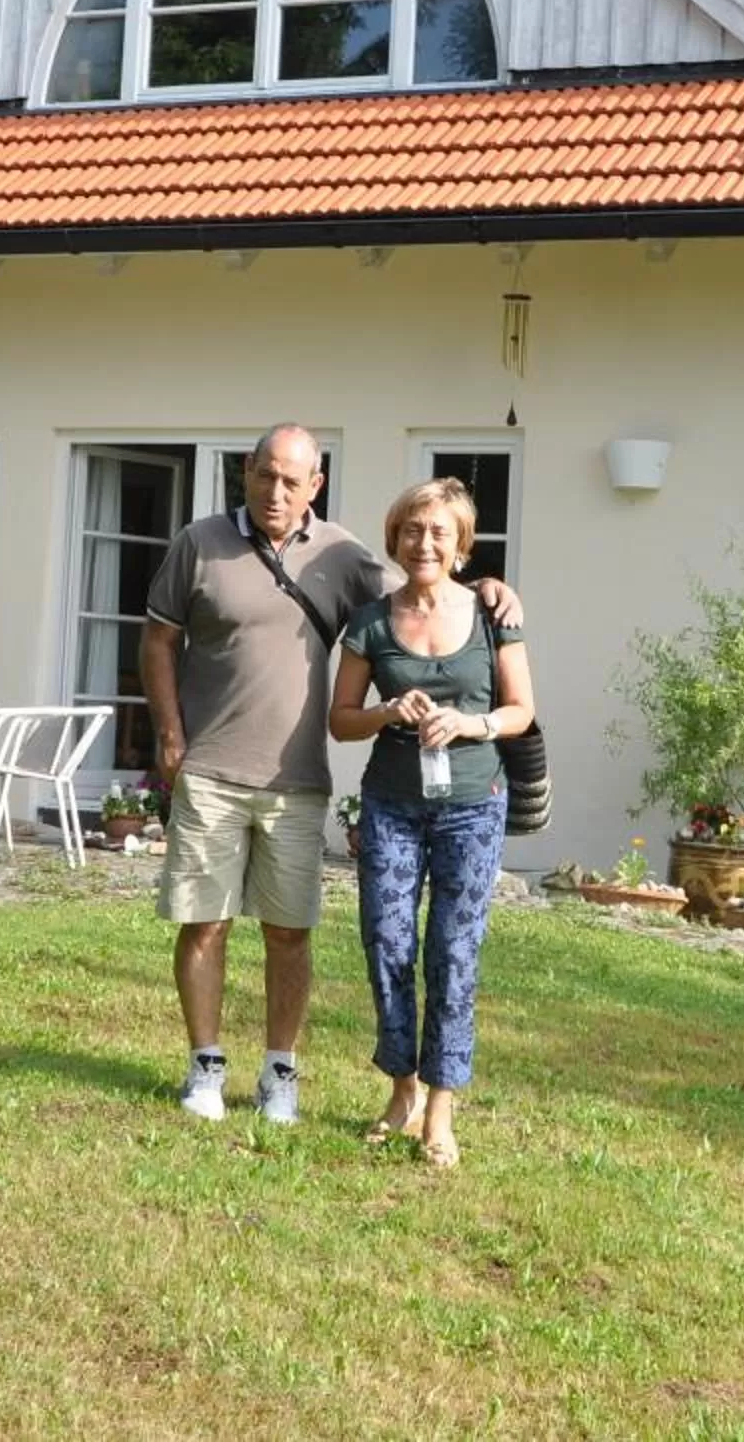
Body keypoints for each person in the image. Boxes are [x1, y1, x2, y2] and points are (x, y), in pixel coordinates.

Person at [139, 427, 517, 1125]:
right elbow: (158, 637)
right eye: (265, 476)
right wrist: (168, 732)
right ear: (246, 472)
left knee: (289, 932)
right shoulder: (199, 543)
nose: (276, 492)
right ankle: (205, 1066)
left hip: (298, 779)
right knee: (204, 924)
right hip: (211, 769)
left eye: (293, 481)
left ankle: (280, 1071)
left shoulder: (343, 556)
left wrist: (489, 586)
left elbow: (420, 590)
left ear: (316, 485)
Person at [328, 476, 534, 1169]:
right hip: (391, 804)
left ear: (461, 545)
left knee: (453, 954)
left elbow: (520, 710)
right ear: (396, 539)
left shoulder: (492, 613)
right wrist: (389, 712)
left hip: (473, 807)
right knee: (387, 944)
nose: (425, 542)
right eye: (414, 530)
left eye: (440, 532)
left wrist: (472, 723)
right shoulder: (371, 622)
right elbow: (341, 719)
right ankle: (402, 1089)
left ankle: (441, 1111)